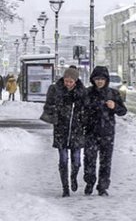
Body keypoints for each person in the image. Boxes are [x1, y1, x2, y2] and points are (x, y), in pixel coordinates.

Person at [41, 66, 86, 197]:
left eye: (71, 81)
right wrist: (56, 110)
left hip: (76, 130)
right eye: (66, 80)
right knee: (63, 160)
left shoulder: (81, 92)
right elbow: (48, 106)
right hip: (61, 130)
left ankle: (73, 177)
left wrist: (83, 119)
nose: (68, 83)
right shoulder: (55, 90)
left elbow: (86, 110)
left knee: (76, 161)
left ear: (75, 81)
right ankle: (65, 188)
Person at [84, 65, 126, 197]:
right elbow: (83, 109)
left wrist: (114, 106)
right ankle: (89, 182)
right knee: (89, 160)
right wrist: (94, 106)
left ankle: (102, 187)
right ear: (93, 79)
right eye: (97, 79)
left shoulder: (113, 93)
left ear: (106, 80)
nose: (99, 81)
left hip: (107, 133)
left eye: (102, 79)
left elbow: (123, 111)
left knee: (106, 161)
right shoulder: (88, 92)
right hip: (91, 131)